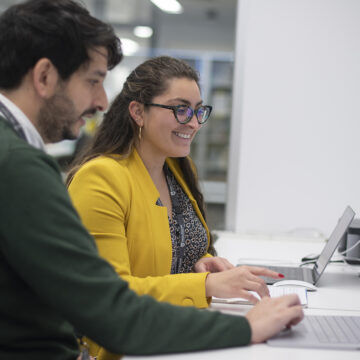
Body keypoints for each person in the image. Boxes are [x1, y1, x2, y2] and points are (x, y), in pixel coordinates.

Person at [0, 1, 304, 360]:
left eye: (196, 111)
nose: (101, 101)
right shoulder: (21, 167)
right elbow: (110, 310)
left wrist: (199, 265)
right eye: (94, 81)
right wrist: (245, 325)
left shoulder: (176, 169)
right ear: (45, 77)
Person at [66, 56, 285, 359]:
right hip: (126, 349)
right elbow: (110, 296)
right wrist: (205, 284)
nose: (194, 123)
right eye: (181, 109)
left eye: (198, 111)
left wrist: (204, 261)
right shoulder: (101, 178)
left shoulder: (179, 169)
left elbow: (175, 248)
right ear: (138, 112)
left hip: (177, 331)